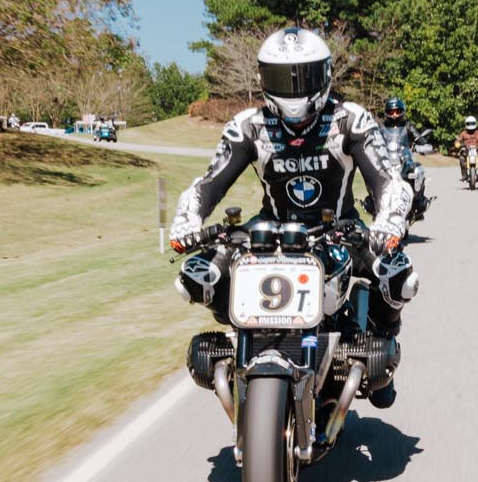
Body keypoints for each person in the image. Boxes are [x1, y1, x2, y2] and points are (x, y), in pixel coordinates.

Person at [168, 27, 417, 404]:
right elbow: (209, 183)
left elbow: (389, 181)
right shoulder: (247, 126)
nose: (295, 89)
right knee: (195, 278)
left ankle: (382, 345)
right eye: (283, 78)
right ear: (263, 78)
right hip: (268, 232)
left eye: (305, 76)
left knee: (400, 277)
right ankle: (239, 343)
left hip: (340, 229)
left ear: (326, 74)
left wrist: (389, 222)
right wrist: (187, 220)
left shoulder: (352, 120)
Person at [454, 115, 478, 181]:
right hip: (466, 151)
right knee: (461, 158)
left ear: (475, 123)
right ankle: (464, 176)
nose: (470, 125)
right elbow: (458, 140)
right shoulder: (463, 133)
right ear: (466, 124)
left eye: (472, 123)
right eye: (469, 123)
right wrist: (457, 143)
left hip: (477, 151)